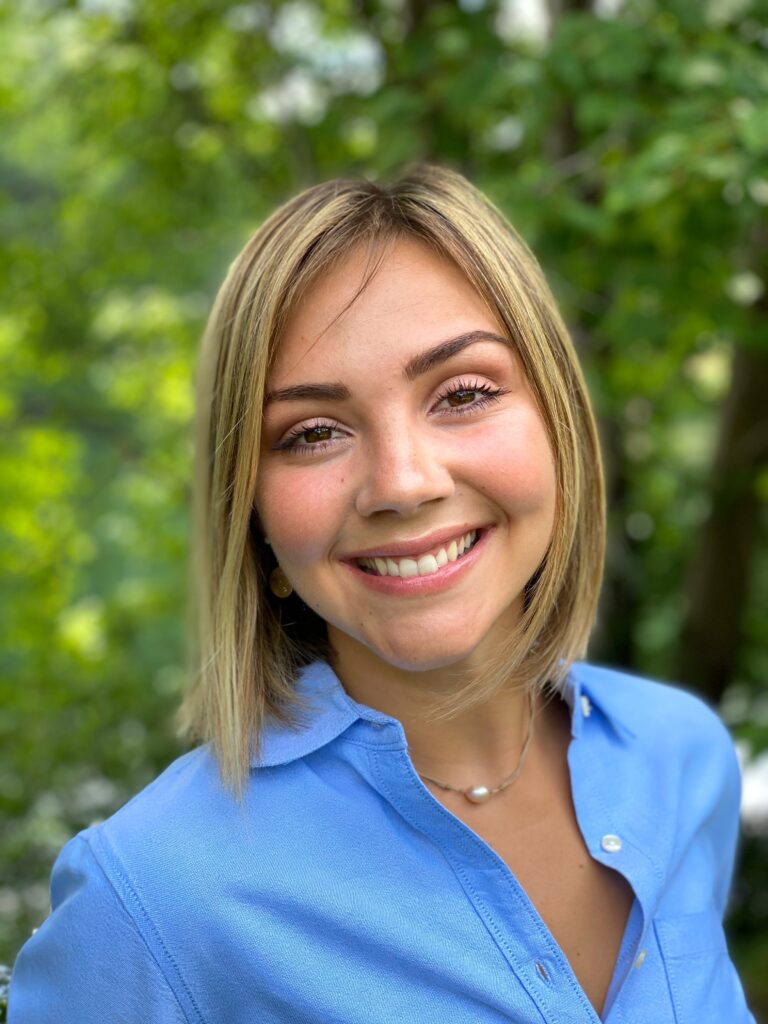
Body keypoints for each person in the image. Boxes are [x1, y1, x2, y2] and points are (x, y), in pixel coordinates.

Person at [8, 166, 756, 1023]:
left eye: (464, 394)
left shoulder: (681, 755)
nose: (402, 482)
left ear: (560, 424)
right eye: (313, 433)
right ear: (253, 521)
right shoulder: (149, 893)